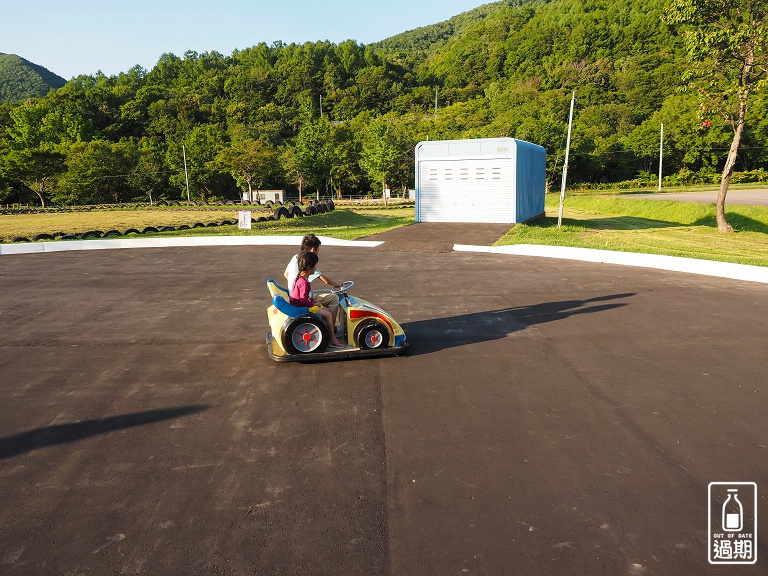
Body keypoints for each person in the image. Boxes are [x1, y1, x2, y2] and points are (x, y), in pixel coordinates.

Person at [284, 234, 342, 332]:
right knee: (334, 298)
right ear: (312, 250)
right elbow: (326, 281)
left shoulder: (296, 258)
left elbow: (285, 274)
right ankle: (329, 328)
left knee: (328, 292)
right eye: (318, 251)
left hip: (294, 294)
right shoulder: (309, 262)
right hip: (302, 298)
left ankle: (325, 321)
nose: (318, 253)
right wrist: (338, 284)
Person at [290, 251, 344, 349]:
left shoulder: (299, 278)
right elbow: (303, 300)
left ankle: (326, 332)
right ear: (310, 268)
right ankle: (332, 338)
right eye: (315, 266)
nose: (316, 268)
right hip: (302, 307)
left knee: (326, 310)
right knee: (328, 314)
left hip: (300, 305)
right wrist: (314, 303)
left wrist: (313, 302)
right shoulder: (304, 282)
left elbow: (303, 297)